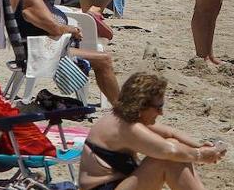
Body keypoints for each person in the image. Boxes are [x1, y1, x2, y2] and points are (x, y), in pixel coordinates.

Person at [9, 0, 121, 105]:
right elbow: (54, 28)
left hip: (41, 46)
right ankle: (122, 109)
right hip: (41, 52)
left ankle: (119, 106)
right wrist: (72, 30)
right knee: (104, 60)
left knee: (101, 57)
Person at [77, 71, 224, 190]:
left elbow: (170, 133)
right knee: (166, 160)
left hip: (119, 183)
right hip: (104, 187)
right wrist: (200, 155)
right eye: (159, 107)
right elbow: (169, 151)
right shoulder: (127, 128)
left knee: (174, 149)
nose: (161, 113)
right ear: (141, 105)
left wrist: (200, 147)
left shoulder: (123, 117)